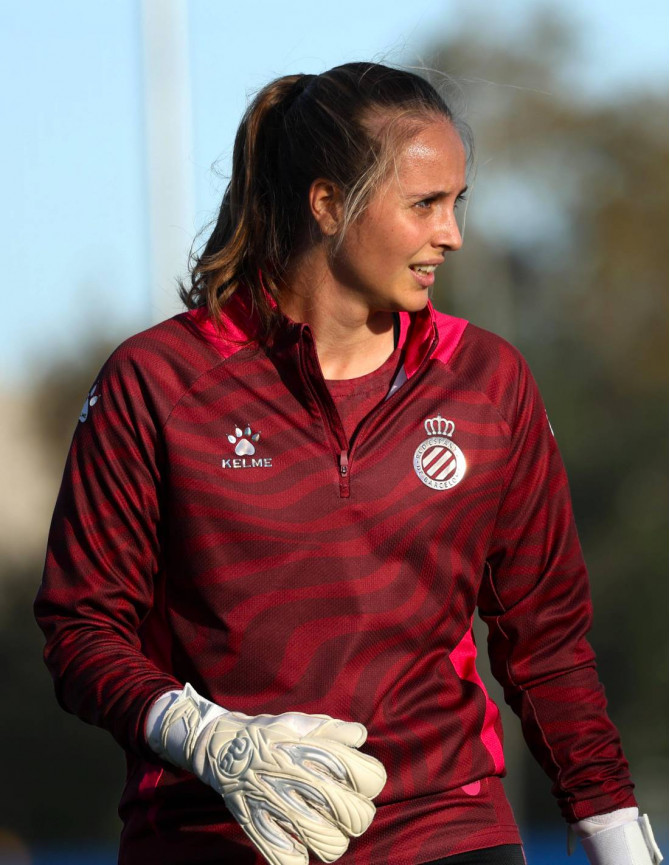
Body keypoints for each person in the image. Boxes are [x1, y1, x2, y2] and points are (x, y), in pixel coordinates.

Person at [34, 62, 662, 865]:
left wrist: (612, 825)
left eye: (457, 203)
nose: (452, 234)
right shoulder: (156, 381)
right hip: (211, 839)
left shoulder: (488, 380)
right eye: (424, 204)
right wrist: (200, 733)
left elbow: (548, 640)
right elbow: (81, 626)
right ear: (328, 203)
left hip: (449, 831)